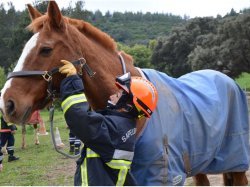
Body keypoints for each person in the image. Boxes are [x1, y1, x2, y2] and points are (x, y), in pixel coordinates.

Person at [59, 59, 158, 186]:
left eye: (117, 95)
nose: (111, 96)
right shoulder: (125, 126)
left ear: (128, 105)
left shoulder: (115, 128)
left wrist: (73, 82)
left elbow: (80, 117)